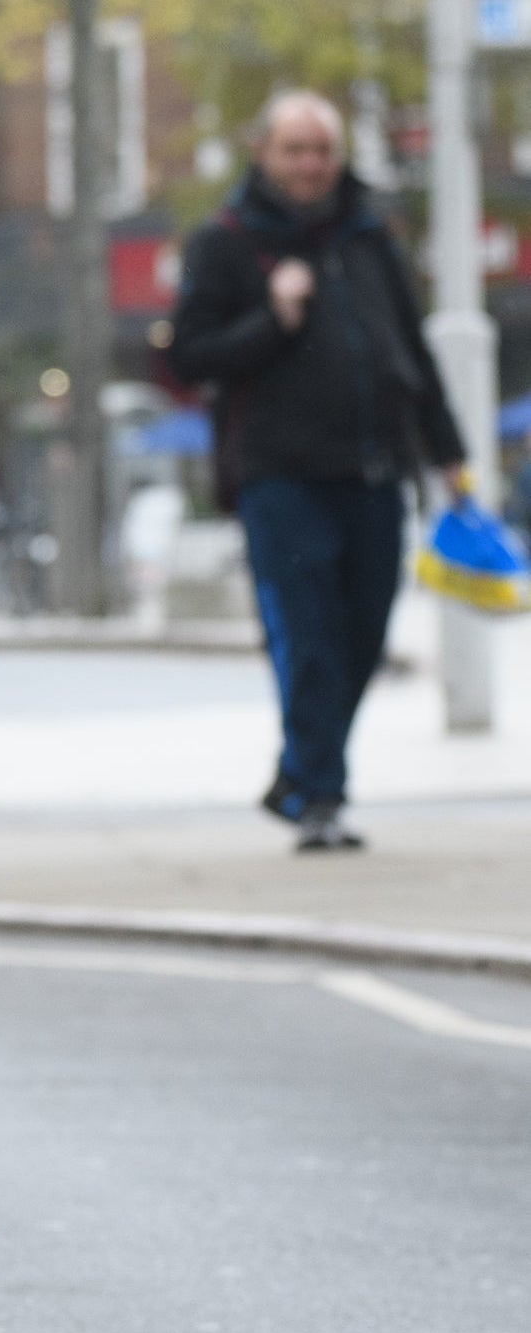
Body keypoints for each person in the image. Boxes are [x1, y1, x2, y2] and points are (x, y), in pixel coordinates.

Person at [169, 89, 466, 854]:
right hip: (280, 478)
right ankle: (320, 799)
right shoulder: (226, 242)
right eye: (294, 150)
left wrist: (449, 454)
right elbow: (187, 355)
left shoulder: (369, 236)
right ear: (262, 154)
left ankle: (297, 774)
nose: (309, 165)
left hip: (374, 473)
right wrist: (274, 318)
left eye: (321, 150)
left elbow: (411, 350)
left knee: (365, 637)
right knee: (309, 639)